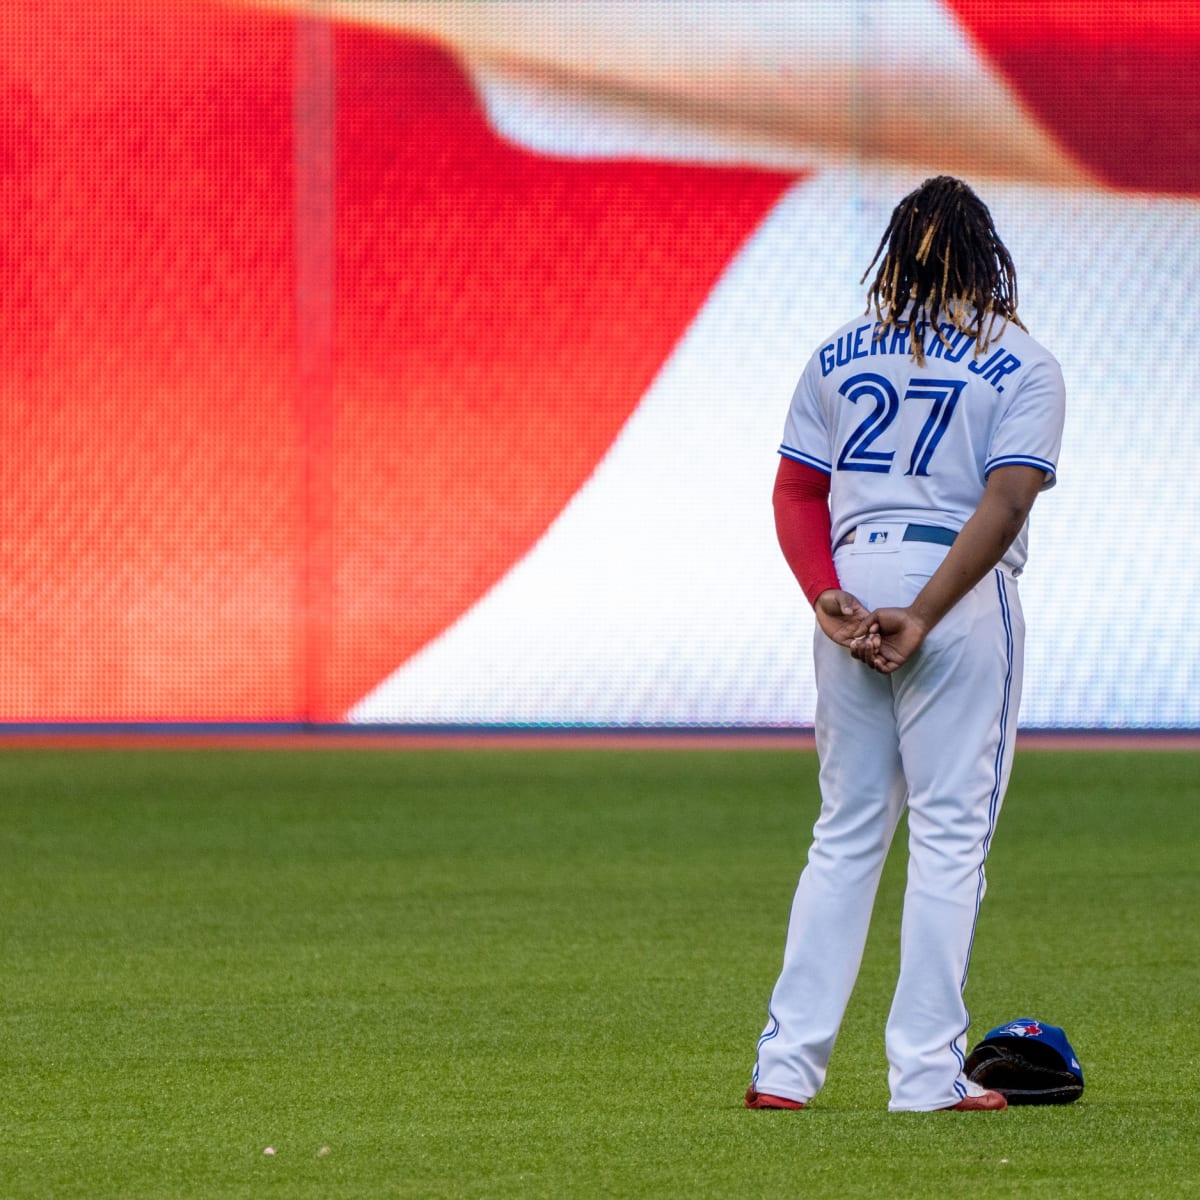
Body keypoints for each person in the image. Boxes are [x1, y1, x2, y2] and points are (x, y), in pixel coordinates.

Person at [746, 176, 1066, 1113]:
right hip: (954, 596)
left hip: (853, 583)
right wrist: (922, 612)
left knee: (844, 837)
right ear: (987, 256)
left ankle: (785, 1071)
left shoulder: (837, 355)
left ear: (895, 251)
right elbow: (1006, 503)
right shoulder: (1026, 360)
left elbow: (797, 493)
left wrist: (826, 599)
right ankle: (925, 1074)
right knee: (949, 839)